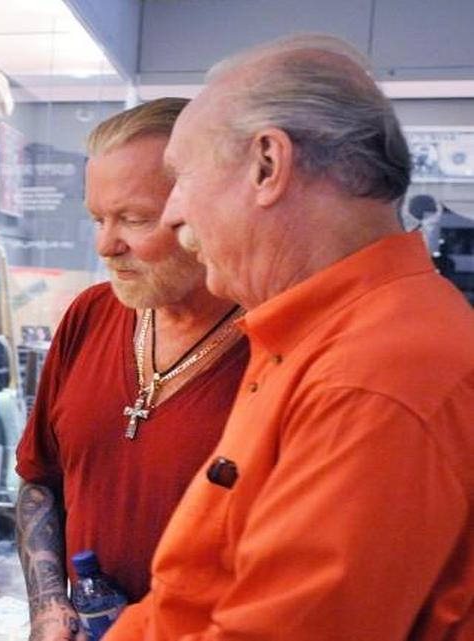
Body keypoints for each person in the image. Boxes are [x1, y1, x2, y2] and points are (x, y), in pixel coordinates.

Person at [106, 34, 474, 641]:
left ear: (268, 166)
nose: (172, 214)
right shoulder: (319, 336)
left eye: (182, 176)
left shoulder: (376, 375)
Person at [15, 98, 250, 641]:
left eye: (135, 219)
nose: (106, 245)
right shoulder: (90, 314)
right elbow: (39, 478)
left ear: (205, 209)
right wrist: (50, 608)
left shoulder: (275, 344)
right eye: (98, 218)